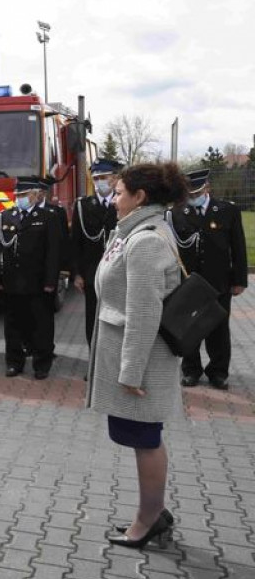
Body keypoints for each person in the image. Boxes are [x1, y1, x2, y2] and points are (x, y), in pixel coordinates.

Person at [87, 162, 188, 549]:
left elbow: (145, 314)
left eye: (119, 191)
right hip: (137, 358)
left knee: (146, 440)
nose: (113, 198)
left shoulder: (144, 240)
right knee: (142, 438)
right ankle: (153, 510)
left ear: (139, 197)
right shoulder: (136, 231)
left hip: (141, 365)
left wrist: (130, 373)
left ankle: (148, 520)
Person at [168, 169, 248, 390]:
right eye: (190, 194)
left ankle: (218, 371)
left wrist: (239, 279)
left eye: (197, 192)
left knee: (219, 329)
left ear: (207, 188)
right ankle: (191, 369)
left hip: (218, 281)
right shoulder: (176, 212)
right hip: (189, 282)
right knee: (189, 328)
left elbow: (238, 247)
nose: (193, 197)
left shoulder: (226, 210)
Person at [0, 176, 61, 379]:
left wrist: (50, 281)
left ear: (35, 195)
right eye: (18, 195)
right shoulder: (5, 217)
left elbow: (53, 252)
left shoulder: (48, 216)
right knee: (12, 325)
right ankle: (14, 362)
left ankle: (41, 364)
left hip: (38, 282)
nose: (19, 198)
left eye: (24, 195)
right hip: (12, 281)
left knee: (41, 324)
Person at [71, 159, 123, 346]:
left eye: (104, 177)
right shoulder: (82, 206)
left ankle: (114, 364)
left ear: (115, 178)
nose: (99, 182)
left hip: (118, 272)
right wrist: (76, 273)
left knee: (117, 319)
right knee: (93, 318)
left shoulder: (123, 204)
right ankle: (94, 362)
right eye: (96, 178)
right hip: (92, 272)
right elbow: (75, 242)